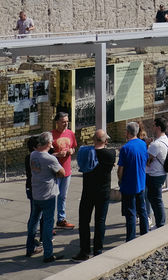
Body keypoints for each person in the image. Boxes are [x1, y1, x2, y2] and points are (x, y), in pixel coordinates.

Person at [73, 129, 116, 261]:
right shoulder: (110, 154)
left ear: (93, 140)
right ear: (106, 141)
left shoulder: (85, 153)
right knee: (100, 221)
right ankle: (98, 249)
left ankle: (84, 251)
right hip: (103, 192)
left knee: (84, 221)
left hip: (88, 192)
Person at [27, 132, 64, 263]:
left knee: (33, 221)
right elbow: (62, 172)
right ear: (49, 143)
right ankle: (48, 254)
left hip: (36, 193)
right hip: (48, 195)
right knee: (48, 224)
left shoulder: (33, 154)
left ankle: (29, 248)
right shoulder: (50, 159)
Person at [117, 121, 148, 242]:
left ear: (127, 132)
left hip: (128, 185)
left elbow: (120, 169)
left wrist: (120, 180)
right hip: (141, 182)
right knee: (142, 210)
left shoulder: (125, 148)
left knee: (130, 214)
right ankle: (145, 234)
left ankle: (130, 239)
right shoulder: (142, 144)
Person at [50, 112, 77, 229]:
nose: (66, 123)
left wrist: (71, 151)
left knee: (63, 196)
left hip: (67, 170)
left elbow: (74, 147)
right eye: (63, 121)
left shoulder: (70, 133)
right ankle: (49, 222)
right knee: (52, 197)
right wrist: (57, 154)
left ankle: (61, 219)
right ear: (57, 122)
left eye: (67, 121)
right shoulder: (51, 135)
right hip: (55, 171)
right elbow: (46, 153)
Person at [145, 118, 168, 230]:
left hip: (155, 175)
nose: (152, 128)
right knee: (154, 198)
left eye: (154, 126)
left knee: (156, 199)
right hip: (161, 173)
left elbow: (147, 161)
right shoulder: (165, 139)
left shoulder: (156, 144)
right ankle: (159, 222)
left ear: (159, 128)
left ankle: (160, 224)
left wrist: (147, 145)